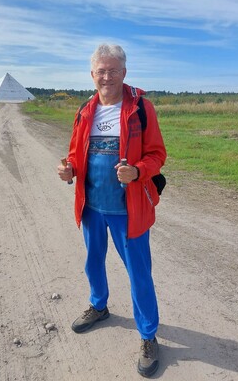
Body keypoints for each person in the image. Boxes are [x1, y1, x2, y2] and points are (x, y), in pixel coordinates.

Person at [57, 43, 167, 378]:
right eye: (101, 71)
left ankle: (148, 335)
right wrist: (69, 169)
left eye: (113, 70)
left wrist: (138, 171)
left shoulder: (140, 108)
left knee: (138, 273)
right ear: (93, 74)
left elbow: (157, 154)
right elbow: (75, 153)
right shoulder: (85, 110)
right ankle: (99, 305)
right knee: (93, 262)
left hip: (128, 210)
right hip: (91, 206)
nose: (107, 77)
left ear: (124, 72)